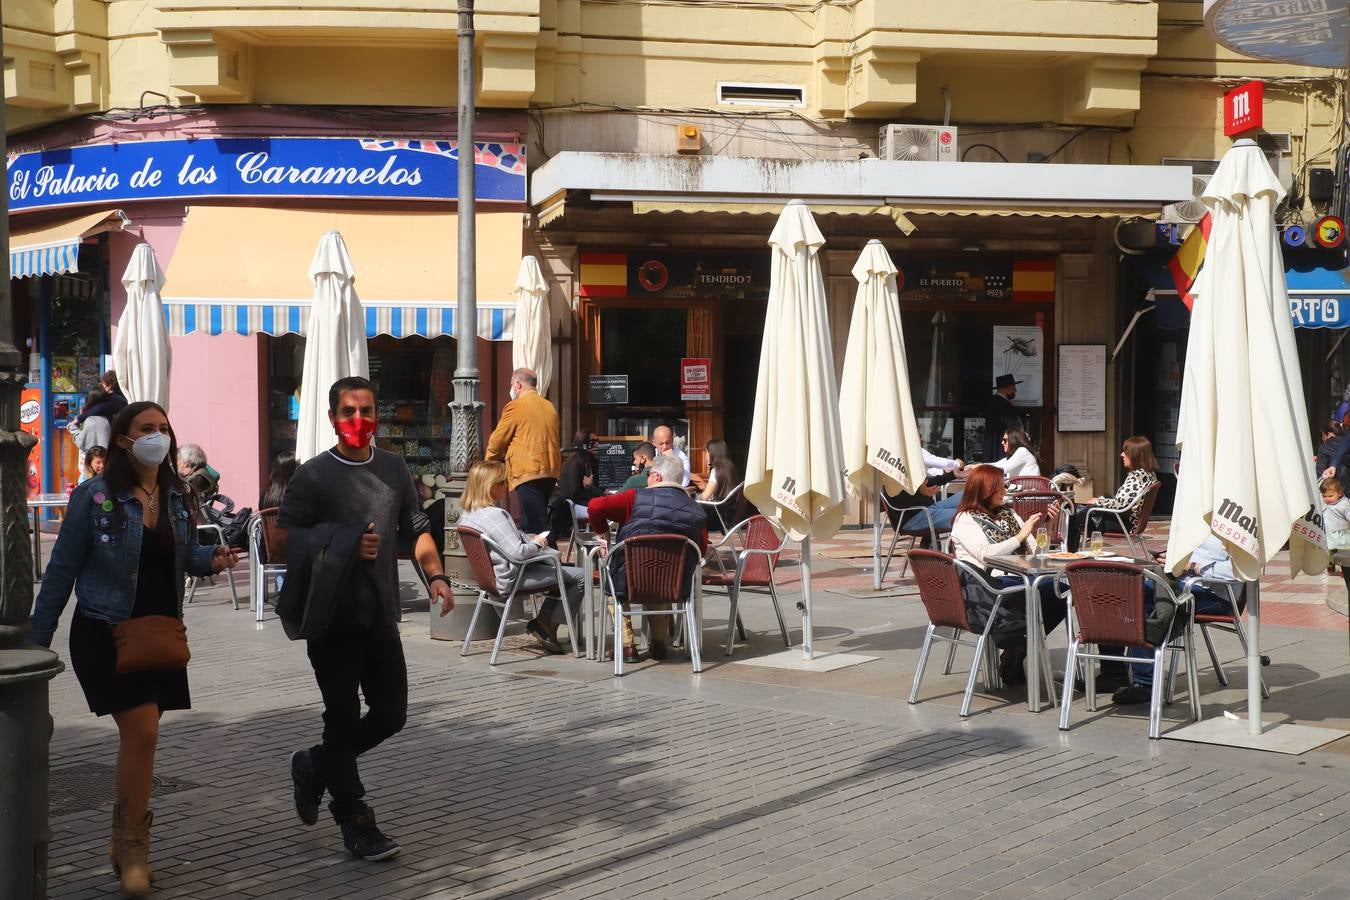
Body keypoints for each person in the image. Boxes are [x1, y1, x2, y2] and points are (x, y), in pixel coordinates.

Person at [28, 402, 237, 896]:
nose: (158, 437)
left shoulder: (176, 494)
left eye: (164, 429)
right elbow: (60, 571)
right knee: (142, 730)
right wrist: (36, 643)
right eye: (148, 429)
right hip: (104, 629)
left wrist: (213, 559)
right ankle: (133, 849)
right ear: (123, 439)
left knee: (141, 740)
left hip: (158, 635)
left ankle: (123, 844)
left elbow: (182, 556)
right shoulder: (94, 497)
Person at [279, 376, 454, 862]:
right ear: (333, 418)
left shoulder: (394, 468)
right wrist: (344, 542)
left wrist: (436, 576)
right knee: (341, 718)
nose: (360, 421)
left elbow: (416, 530)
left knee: (391, 714)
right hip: (331, 619)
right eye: (349, 412)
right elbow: (283, 543)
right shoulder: (313, 476)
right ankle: (355, 819)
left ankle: (314, 765)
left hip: (379, 613)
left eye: (368, 411)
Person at [948, 464, 1066, 685]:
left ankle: (1017, 649)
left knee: (1061, 591)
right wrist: (1021, 535)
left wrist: (1046, 527)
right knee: (1047, 589)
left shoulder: (1009, 514)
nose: (1006, 491)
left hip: (1018, 580)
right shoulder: (966, 519)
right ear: (985, 490)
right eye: (1000, 487)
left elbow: (1036, 554)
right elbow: (986, 555)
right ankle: (1016, 646)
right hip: (986, 588)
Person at [588, 454, 707, 663]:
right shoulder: (696, 510)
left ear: (658, 477)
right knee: (660, 579)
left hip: (629, 580)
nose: (647, 480)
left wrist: (603, 534)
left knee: (614, 587)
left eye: (649, 475)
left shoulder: (634, 498)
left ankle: (627, 646)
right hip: (675, 586)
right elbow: (701, 550)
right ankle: (659, 644)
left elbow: (595, 506)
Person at [461, 459, 585, 654]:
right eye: (502, 482)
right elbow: (517, 553)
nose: (507, 487)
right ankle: (547, 624)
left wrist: (526, 538)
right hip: (511, 577)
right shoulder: (495, 515)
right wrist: (538, 544)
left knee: (561, 573)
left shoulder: (469, 514)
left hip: (491, 578)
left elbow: (505, 540)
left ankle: (544, 622)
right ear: (489, 486)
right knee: (580, 576)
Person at [486, 368, 562, 537]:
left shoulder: (516, 406)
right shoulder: (549, 406)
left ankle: (551, 560)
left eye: (512, 385)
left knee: (538, 525)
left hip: (528, 471)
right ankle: (532, 562)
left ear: (518, 385)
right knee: (531, 522)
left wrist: (487, 462)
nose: (511, 389)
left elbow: (497, 440)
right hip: (550, 470)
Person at [1066, 436, 1159, 551]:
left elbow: (1120, 505)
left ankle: (1069, 553)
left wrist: (1098, 501)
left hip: (1123, 523)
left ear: (1135, 455)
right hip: (1127, 521)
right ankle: (1071, 551)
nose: (1122, 455)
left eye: (1126, 452)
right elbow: (1124, 502)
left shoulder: (1137, 477)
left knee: (1072, 518)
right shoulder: (1148, 474)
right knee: (1079, 512)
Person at [555, 430, 603, 522]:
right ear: (583, 444)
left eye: (598, 441)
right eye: (592, 442)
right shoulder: (574, 463)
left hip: (582, 502)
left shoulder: (591, 462)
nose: (597, 445)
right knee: (600, 508)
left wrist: (604, 492)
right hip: (571, 506)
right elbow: (575, 493)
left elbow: (595, 485)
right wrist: (592, 491)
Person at [981, 374, 1022, 463]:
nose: (1015, 390)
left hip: (991, 446)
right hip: (1002, 448)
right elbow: (1013, 428)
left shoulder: (992, 402)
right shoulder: (1005, 406)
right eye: (1013, 387)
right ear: (1006, 388)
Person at [1322, 477, 1350, 595]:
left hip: (1342, 538)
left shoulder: (1343, 505)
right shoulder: (1330, 505)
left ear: (1340, 493)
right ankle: (1331, 564)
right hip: (1332, 538)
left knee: (1344, 559)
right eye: (1324, 496)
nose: (1327, 499)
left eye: (1330, 496)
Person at [69, 387, 112, 458]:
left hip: (92, 461)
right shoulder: (110, 418)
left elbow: (81, 441)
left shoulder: (91, 421)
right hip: (107, 460)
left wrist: (71, 427)